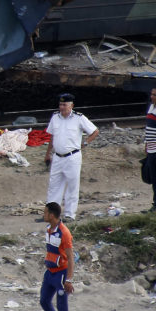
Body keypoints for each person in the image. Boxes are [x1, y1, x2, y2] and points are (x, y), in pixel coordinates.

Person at [45, 93, 99, 221]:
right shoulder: (55, 117)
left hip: (72, 157)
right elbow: (52, 137)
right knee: (54, 187)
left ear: (71, 105)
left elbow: (95, 131)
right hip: (57, 157)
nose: (62, 107)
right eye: (60, 104)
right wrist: (48, 153)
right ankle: (52, 214)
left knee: (72, 186)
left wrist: (85, 143)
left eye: (64, 105)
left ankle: (70, 214)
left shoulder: (79, 118)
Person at [39, 201, 75, 311]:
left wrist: (69, 279)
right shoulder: (49, 229)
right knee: (44, 301)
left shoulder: (64, 233)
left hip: (60, 274)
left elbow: (71, 258)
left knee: (62, 306)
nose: (43, 215)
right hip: (50, 272)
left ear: (52, 215)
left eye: (45, 212)